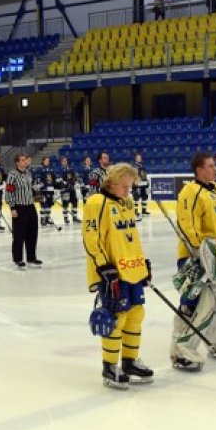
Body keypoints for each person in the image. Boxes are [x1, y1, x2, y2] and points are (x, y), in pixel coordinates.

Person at [82, 163, 153, 389]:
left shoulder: (127, 203)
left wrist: (143, 264)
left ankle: (130, 362)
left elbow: (131, 237)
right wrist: (104, 266)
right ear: (112, 183)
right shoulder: (96, 203)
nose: (127, 191)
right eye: (124, 186)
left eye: (130, 186)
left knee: (136, 313)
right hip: (112, 273)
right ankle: (110, 366)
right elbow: (90, 237)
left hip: (132, 269)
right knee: (116, 318)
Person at [171, 152, 216, 371]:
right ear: (199, 170)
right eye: (211, 166)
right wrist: (200, 255)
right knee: (193, 305)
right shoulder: (190, 192)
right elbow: (187, 226)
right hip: (200, 259)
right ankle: (182, 351)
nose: (215, 169)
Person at [6, 153, 41, 269]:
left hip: (30, 206)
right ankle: (18, 259)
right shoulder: (12, 175)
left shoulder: (27, 173)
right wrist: (12, 208)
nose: (25, 161)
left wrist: (37, 194)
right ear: (17, 162)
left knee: (32, 232)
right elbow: (9, 192)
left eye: (25, 160)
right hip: (19, 207)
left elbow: (30, 188)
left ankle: (31, 257)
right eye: (22, 160)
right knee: (19, 234)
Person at [56, 156, 81, 224]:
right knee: (65, 204)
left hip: (72, 189)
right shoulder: (59, 170)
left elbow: (75, 176)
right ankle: (66, 218)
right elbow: (59, 180)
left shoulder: (71, 168)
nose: (65, 162)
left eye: (66, 161)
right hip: (65, 190)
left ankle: (75, 217)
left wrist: (73, 182)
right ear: (61, 162)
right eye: (64, 161)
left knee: (75, 202)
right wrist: (65, 184)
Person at [35, 156, 56, 227]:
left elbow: (53, 179)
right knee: (43, 205)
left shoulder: (51, 169)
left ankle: (47, 218)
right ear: (43, 161)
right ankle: (42, 219)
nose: (48, 162)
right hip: (43, 190)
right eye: (46, 160)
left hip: (50, 189)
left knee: (49, 205)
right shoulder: (39, 169)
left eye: (48, 160)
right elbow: (38, 179)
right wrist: (39, 185)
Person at [132, 153, 150, 219]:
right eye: (138, 157)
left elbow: (144, 175)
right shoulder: (134, 166)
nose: (140, 158)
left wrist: (146, 181)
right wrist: (135, 183)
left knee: (145, 196)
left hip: (143, 184)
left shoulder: (142, 166)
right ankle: (135, 211)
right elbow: (134, 175)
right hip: (137, 184)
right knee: (136, 198)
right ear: (135, 158)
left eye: (140, 157)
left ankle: (144, 210)